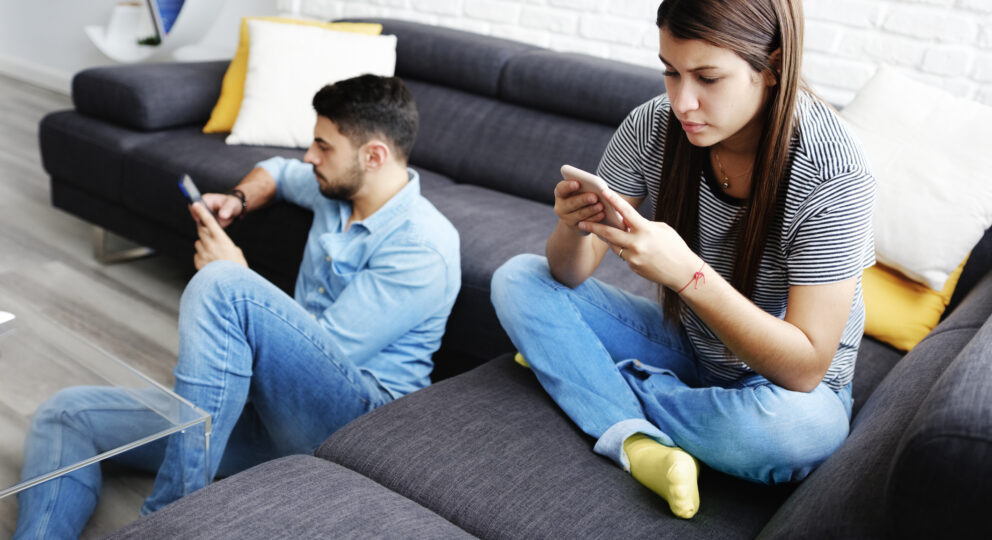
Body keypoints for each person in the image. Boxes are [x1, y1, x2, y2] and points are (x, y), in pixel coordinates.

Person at [15, 74, 461, 538]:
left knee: (226, 286)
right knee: (66, 412)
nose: (310, 156)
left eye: (323, 147)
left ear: (374, 157)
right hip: (267, 415)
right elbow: (277, 171)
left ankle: (169, 518)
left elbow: (328, 352)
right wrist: (239, 199)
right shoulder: (342, 190)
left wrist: (238, 274)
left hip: (351, 421)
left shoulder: (423, 249)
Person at [491, 0, 874, 519]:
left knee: (796, 436)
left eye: (708, 78)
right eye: (671, 72)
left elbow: (805, 370)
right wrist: (572, 222)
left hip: (782, 387)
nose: (682, 101)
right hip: (690, 345)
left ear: (774, 67)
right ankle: (637, 443)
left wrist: (688, 275)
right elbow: (568, 274)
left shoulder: (833, 173)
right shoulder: (652, 126)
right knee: (519, 278)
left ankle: (595, 382)